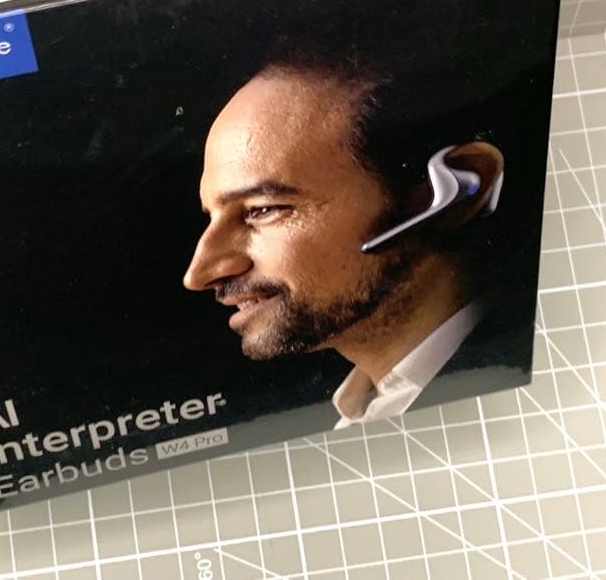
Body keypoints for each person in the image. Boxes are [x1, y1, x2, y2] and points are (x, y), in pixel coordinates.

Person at [181, 58, 506, 428]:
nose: (199, 274)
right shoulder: (359, 415)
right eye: (212, 216)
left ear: (448, 196)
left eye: (263, 209)